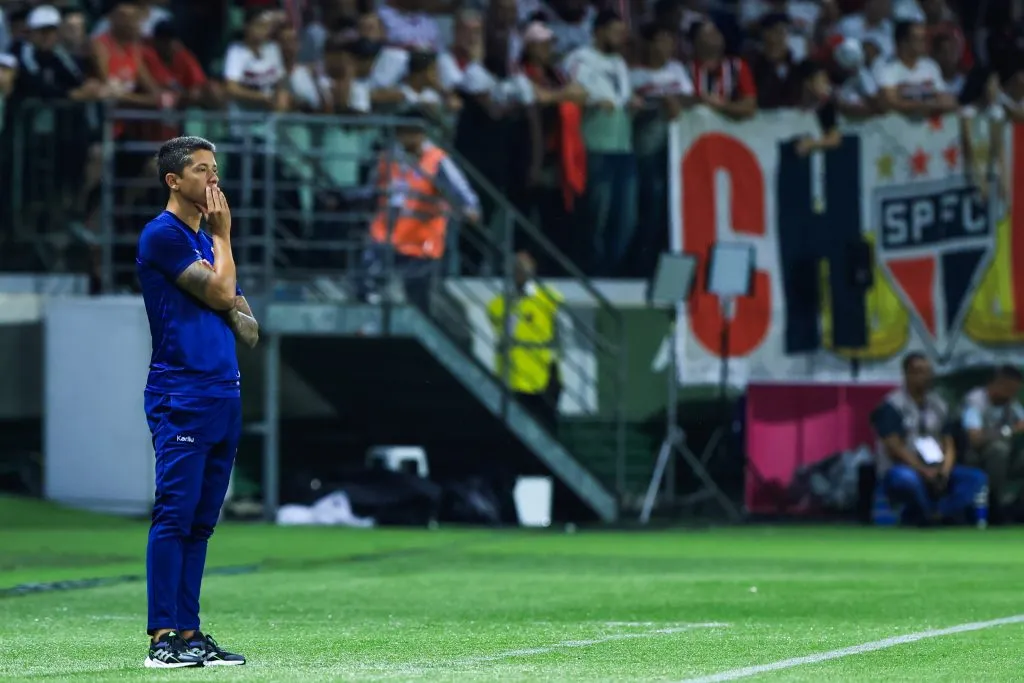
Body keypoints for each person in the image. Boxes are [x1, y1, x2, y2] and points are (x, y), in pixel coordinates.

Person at [135, 136, 258, 668]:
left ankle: (188, 632)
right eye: (202, 171)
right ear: (174, 181)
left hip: (222, 393)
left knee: (202, 521)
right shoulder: (164, 236)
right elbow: (226, 299)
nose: (214, 181)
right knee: (174, 515)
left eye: (215, 170)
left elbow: (250, 330)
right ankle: (162, 637)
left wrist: (225, 291)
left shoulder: (203, 246)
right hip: (181, 392)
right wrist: (224, 242)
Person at [362, 110, 480, 312]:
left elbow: (464, 195)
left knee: (417, 299)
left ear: (421, 133)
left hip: (422, 242)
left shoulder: (437, 161)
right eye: (401, 132)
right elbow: (372, 190)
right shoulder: (389, 159)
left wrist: (469, 210)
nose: (404, 137)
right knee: (367, 285)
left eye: (409, 132)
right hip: (388, 239)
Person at [871, 352, 988, 526]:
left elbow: (949, 443)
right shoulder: (892, 405)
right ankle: (922, 513)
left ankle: (940, 513)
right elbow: (894, 447)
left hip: (936, 467)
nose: (924, 377)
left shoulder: (939, 404)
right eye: (918, 371)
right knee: (906, 479)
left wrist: (945, 470)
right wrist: (922, 470)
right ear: (907, 374)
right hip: (904, 468)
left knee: (975, 478)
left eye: (927, 371)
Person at [486, 251, 564, 431]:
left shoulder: (546, 298)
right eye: (517, 268)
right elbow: (495, 315)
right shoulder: (502, 303)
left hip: (543, 376)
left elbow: (557, 301)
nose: (521, 272)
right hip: (512, 378)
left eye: (525, 268)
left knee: (546, 427)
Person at [960, 365, 1024, 522]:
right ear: (998, 383)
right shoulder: (975, 401)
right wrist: (1008, 431)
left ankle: (1018, 507)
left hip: (1007, 458)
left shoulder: (1011, 404)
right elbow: (975, 439)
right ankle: (995, 506)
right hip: (974, 457)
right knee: (998, 450)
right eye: (1009, 389)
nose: (1012, 394)